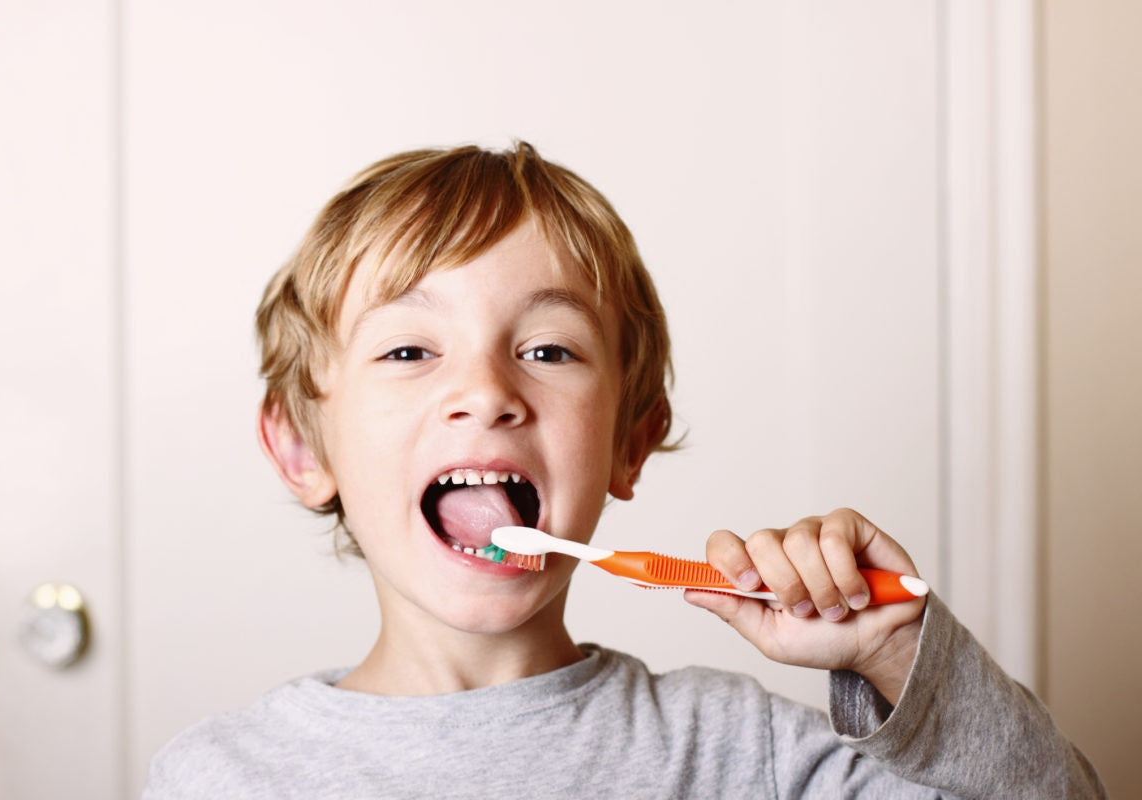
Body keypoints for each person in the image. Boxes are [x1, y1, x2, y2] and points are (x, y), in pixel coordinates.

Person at [143, 142, 1104, 798]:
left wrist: (897, 655)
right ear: (304, 449)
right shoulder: (221, 777)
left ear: (631, 442)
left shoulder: (741, 754)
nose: (486, 392)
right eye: (409, 352)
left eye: (549, 351)